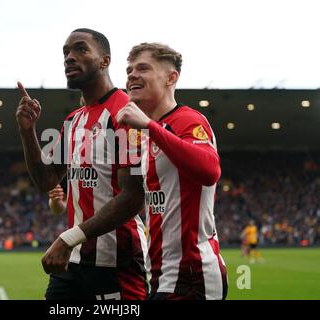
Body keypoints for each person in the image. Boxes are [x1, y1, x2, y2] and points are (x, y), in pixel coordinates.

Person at [16, 28, 148, 300]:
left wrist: (68, 237)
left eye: (80, 49)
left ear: (105, 61)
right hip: (74, 261)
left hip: (116, 263)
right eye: (65, 52)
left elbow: (133, 197)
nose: (69, 57)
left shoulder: (125, 114)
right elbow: (47, 180)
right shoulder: (74, 120)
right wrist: (28, 131)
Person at [116, 42, 228, 300]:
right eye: (129, 69)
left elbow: (210, 170)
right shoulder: (143, 135)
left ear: (171, 77)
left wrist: (150, 127)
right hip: (161, 275)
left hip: (193, 276)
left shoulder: (188, 120)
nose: (132, 74)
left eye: (143, 68)